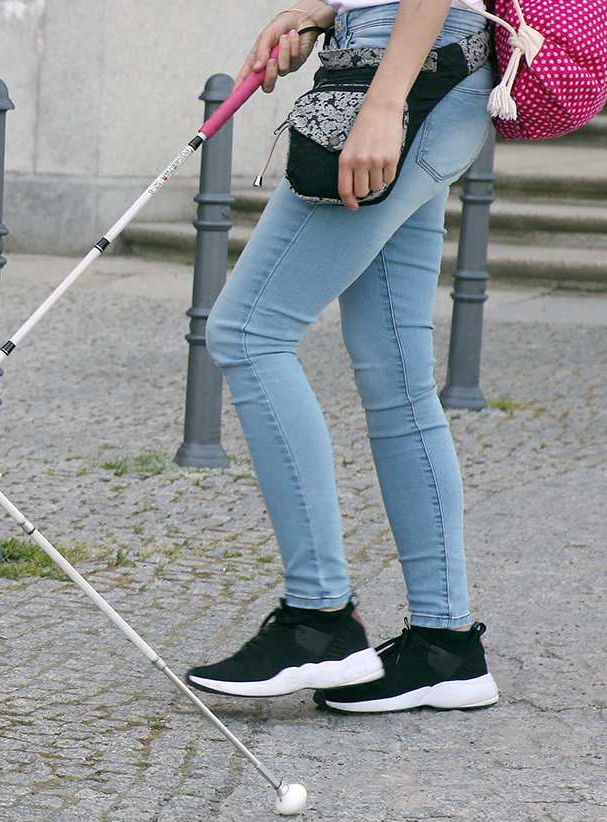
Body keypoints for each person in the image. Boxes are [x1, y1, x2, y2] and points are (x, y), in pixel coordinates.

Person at [185, 0, 501, 713]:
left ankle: (319, 620)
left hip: (407, 70)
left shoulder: (397, 85)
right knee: (396, 373)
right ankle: (445, 646)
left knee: (248, 332)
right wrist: (324, 13)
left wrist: (385, 102)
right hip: (422, 65)